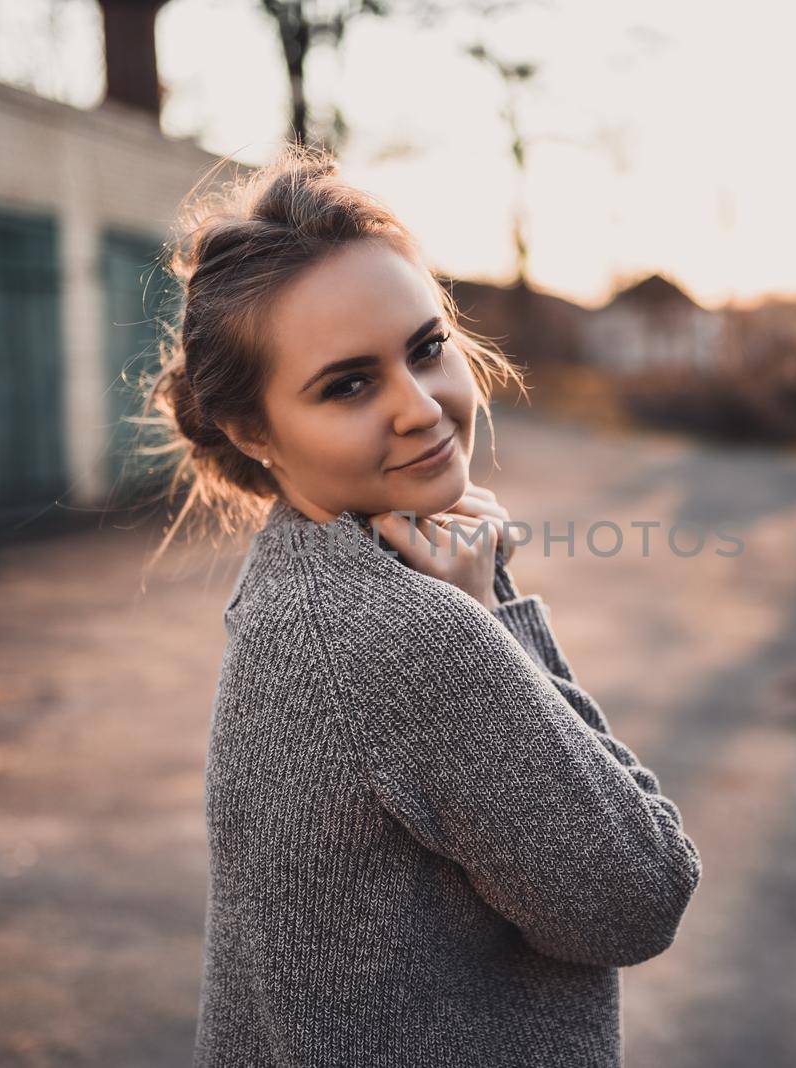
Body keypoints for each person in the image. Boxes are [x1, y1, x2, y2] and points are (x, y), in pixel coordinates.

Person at [144, 142, 701, 1067]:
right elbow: (635, 895)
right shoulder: (402, 632)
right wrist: (491, 624)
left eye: (427, 348)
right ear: (255, 432)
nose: (422, 407)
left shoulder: (293, 590)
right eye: (349, 384)